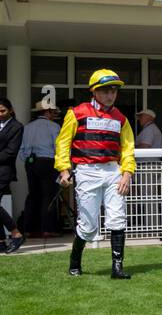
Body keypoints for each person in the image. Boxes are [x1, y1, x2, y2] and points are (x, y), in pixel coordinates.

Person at [55, 69, 137, 278]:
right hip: (87, 171)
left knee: (117, 218)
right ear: (94, 91)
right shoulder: (77, 112)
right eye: (105, 91)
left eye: (114, 91)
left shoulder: (121, 118)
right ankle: (75, 262)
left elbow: (128, 148)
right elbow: (63, 143)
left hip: (113, 171)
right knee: (89, 226)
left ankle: (117, 268)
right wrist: (64, 169)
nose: (110, 95)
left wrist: (127, 173)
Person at [17, 96, 62, 239]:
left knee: (33, 195)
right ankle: (48, 229)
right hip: (48, 162)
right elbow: (58, 148)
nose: (54, 114)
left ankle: (28, 229)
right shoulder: (54, 126)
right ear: (47, 112)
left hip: (31, 163)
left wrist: (28, 160)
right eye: (53, 112)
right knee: (49, 196)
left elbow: (22, 149)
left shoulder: (27, 127)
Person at [0, 98, 23, 253]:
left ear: (11, 110)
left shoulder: (17, 127)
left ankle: (16, 234)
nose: (0, 114)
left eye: (2, 111)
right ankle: (1, 241)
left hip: (3, 171)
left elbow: (11, 152)